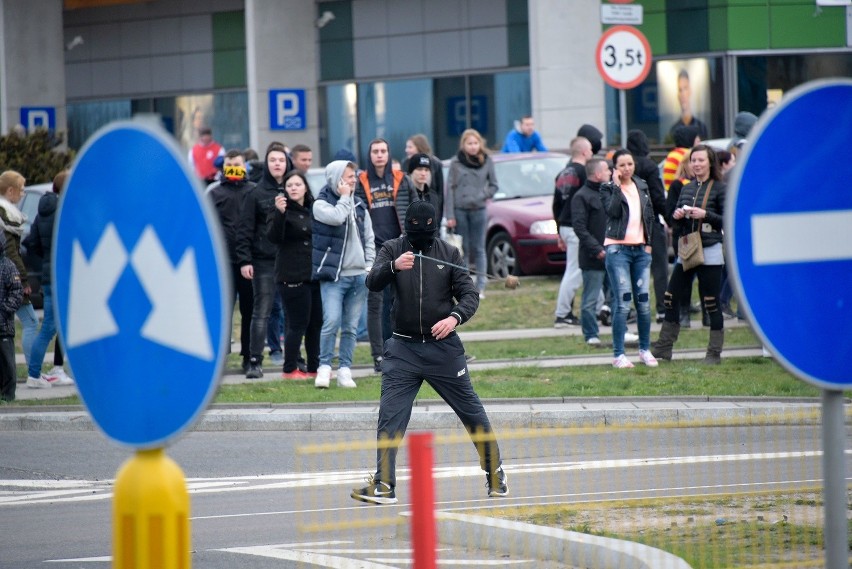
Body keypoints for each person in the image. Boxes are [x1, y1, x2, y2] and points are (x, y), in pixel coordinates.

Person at [351, 200, 507, 505]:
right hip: (403, 349)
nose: (420, 239)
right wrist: (394, 267)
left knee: (471, 411)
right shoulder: (393, 249)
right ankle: (384, 485)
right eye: (414, 233)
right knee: (389, 417)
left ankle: (495, 472)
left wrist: (454, 318)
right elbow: (372, 282)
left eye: (427, 233)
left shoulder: (449, 253)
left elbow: (470, 294)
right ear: (405, 228)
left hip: (443, 350)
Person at [653, 144, 727, 364]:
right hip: (688, 248)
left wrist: (706, 214)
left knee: (711, 301)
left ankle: (714, 354)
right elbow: (674, 221)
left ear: (710, 162)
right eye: (693, 160)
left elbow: (727, 219)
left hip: (711, 247)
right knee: (670, 296)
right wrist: (677, 215)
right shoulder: (686, 188)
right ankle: (664, 347)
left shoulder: (720, 188)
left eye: (701, 160)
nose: (696, 164)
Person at [312, 159, 375, 389]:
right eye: (349, 177)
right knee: (331, 321)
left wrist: (369, 265)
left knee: (350, 327)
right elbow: (337, 217)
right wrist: (345, 197)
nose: (353, 180)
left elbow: (369, 237)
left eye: (354, 176)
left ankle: (345, 369)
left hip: (359, 275)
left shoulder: (359, 205)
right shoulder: (320, 204)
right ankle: (324, 367)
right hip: (334, 276)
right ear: (336, 179)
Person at [355, 138, 413, 373]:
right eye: (375, 151)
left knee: (400, 300)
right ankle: (378, 355)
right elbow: (357, 213)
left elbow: (413, 207)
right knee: (376, 302)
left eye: (383, 151)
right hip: (374, 248)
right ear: (369, 155)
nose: (379, 155)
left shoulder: (400, 178)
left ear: (389, 154)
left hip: (399, 245)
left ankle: (400, 351)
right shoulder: (362, 180)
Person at [236, 141, 293, 378]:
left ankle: (293, 359)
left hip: (291, 259)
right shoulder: (255, 193)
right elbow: (244, 229)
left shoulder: (296, 187)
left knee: (293, 312)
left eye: (281, 160)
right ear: (267, 164)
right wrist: (244, 260)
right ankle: (254, 360)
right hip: (263, 261)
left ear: (287, 162)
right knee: (262, 311)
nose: (277, 164)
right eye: (272, 160)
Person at [600, 149, 658, 369]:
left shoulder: (641, 185)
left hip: (641, 250)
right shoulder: (607, 189)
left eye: (630, 164)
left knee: (643, 302)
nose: (627, 168)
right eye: (622, 165)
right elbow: (613, 212)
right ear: (615, 167)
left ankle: (645, 349)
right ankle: (619, 354)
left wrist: (649, 244)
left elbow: (649, 216)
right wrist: (615, 186)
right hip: (618, 250)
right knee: (623, 302)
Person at [267, 171, 321, 380]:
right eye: (289, 185)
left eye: (298, 184)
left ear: (305, 187)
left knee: (316, 323)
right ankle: (290, 369)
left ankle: (314, 367)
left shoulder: (312, 209)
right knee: (298, 323)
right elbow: (274, 238)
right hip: (291, 275)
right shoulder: (281, 210)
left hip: (314, 274)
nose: (294, 188)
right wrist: (279, 214)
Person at [24, 170, 74, 388]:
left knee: (56, 324)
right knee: (50, 327)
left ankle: (51, 370)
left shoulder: (43, 211)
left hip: (49, 275)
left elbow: (30, 242)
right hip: (61, 275)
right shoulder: (64, 210)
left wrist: (45, 261)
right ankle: (34, 374)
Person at [207, 149, 256, 372]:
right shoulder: (215, 193)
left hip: (248, 261)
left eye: (237, 163)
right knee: (222, 311)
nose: (233, 167)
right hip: (222, 262)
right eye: (229, 164)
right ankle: (221, 358)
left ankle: (248, 356)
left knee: (249, 311)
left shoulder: (253, 191)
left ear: (244, 165)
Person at [445, 128, 498, 298]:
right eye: (469, 143)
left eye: (475, 143)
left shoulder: (487, 161)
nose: (473, 147)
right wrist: (450, 215)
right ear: (463, 145)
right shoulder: (455, 163)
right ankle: (465, 286)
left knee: (479, 248)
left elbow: (494, 185)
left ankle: (481, 285)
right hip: (460, 210)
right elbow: (450, 189)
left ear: (480, 144)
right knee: (463, 250)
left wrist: (482, 196)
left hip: (479, 209)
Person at [626, 129, 669, 323]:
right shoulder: (650, 166)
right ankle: (662, 309)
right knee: (659, 267)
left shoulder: (624, 166)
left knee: (634, 268)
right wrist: (669, 218)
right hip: (650, 221)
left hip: (629, 224)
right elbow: (658, 197)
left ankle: (636, 308)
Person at [551, 136, 593, 327]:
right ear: (584, 152)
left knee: (586, 269)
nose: (592, 153)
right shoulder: (585, 173)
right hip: (577, 227)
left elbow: (556, 205)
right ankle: (562, 314)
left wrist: (560, 231)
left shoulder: (562, 173)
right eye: (591, 150)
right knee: (575, 271)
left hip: (566, 226)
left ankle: (599, 308)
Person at [0, 170, 38, 378]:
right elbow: (11, 252)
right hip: (10, 280)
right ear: (10, 191)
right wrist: (22, 279)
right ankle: (34, 372)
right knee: (31, 322)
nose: (23, 194)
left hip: (8, 277)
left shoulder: (9, 214)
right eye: (22, 190)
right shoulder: (6, 216)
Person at [570, 158, 611, 345]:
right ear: (597, 174)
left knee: (618, 296)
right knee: (590, 299)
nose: (610, 172)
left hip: (614, 253)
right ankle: (591, 335)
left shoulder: (609, 193)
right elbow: (579, 228)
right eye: (607, 170)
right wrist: (597, 250)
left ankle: (620, 330)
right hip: (592, 257)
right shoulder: (582, 196)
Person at [0, 232, 23, 402]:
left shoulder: (8, 266)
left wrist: (4, 310)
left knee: (7, 362)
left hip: (4, 326)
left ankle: (8, 394)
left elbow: (16, 292)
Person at [402, 134, 444, 209]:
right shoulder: (405, 163)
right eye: (419, 169)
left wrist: (437, 214)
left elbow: (440, 191)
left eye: (410, 147)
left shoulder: (435, 163)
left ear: (419, 147)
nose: (406, 150)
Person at [407, 152, 444, 229]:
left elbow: (436, 222)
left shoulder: (433, 196)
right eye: (419, 169)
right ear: (411, 172)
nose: (423, 173)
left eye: (426, 170)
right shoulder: (405, 195)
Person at [669, 69, 709, 140]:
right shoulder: (674, 130)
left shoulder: (701, 127)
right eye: (680, 90)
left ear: (690, 90)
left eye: (685, 88)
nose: (683, 94)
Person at [662, 125, 699, 192]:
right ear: (691, 139)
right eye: (697, 140)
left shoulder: (672, 154)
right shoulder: (687, 155)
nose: (699, 142)